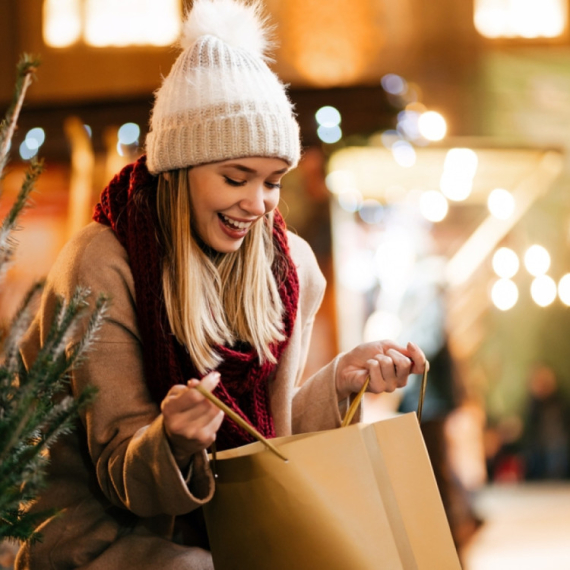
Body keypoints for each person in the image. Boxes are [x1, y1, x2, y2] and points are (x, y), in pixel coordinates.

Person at [16, 1, 426, 568]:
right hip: (98, 537)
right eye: (235, 178)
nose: (256, 204)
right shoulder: (101, 263)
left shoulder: (289, 268)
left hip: (232, 525)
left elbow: (266, 449)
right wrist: (174, 440)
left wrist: (339, 383)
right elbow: (119, 473)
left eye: (273, 182)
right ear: (179, 170)